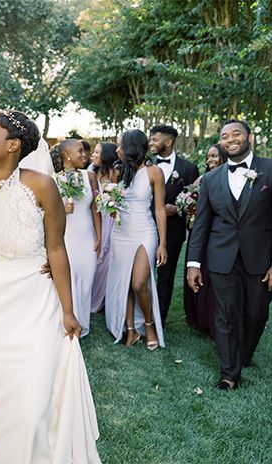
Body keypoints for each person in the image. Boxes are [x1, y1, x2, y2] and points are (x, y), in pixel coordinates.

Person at [0, 109, 100, 463]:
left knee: (34, 404)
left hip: (37, 304)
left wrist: (68, 310)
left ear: (13, 145)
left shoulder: (40, 185)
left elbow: (56, 247)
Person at [187, 120, 272, 390]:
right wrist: (193, 263)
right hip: (221, 257)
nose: (230, 139)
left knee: (256, 312)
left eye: (236, 134)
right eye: (224, 136)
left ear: (248, 136)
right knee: (225, 313)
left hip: (260, 258)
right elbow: (201, 224)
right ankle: (229, 373)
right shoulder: (211, 179)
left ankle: (243, 355)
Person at [105, 129, 167, 350]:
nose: (118, 149)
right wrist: (111, 207)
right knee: (125, 282)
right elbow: (113, 203)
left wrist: (162, 243)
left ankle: (149, 325)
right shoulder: (118, 172)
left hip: (145, 231)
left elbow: (159, 209)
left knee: (139, 282)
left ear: (132, 147)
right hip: (121, 232)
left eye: (121, 145)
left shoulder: (154, 173)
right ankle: (130, 329)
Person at [149, 124, 200, 325]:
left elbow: (194, 200)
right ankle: (140, 314)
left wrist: (178, 209)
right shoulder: (145, 165)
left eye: (155, 139)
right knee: (142, 273)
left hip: (172, 231)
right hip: (144, 227)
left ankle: (158, 319)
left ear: (168, 142)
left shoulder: (188, 168)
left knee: (166, 276)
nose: (151, 142)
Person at [51, 139, 102, 336]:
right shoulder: (53, 180)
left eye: (84, 151)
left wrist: (99, 237)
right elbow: (46, 215)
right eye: (79, 151)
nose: (84, 155)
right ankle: (67, 322)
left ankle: (82, 323)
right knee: (68, 280)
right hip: (65, 239)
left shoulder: (90, 176)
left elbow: (95, 207)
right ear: (66, 155)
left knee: (86, 280)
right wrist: (61, 210)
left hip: (87, 237)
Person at [183, 144, 227, 338]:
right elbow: (186, 201)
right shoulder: (202, 179)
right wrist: (187, 207)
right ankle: (198, 315)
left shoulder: (230, 179)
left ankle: (214, 318)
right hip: (199, 233)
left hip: (218, 235)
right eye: (208, 156)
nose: (210, 160)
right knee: (197, 271)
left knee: (213, 275)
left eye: (214, 156)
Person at [89, 142, 119, 313]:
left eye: (97, 152)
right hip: (94, 219)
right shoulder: (90, 173)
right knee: (95, 255)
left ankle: (102, 299)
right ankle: (91, 295)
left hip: (109, 219)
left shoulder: (114, 174)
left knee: (106, 257)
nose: (93, 155)